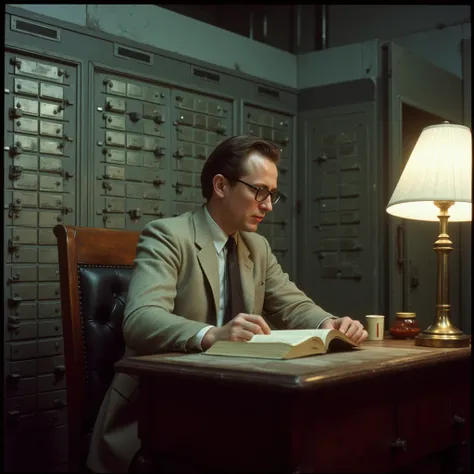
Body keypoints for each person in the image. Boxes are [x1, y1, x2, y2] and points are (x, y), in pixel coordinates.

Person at [87, 135, 368, 473]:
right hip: (159, 414)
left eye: (273, 194)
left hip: (233, 404)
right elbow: (141, 321)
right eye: (259, 191)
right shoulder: (167, 236)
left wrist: (330, 324)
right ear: (221, 185)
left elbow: (293, 305)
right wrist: (213, 334)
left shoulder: (257, 247)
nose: (268, 205)